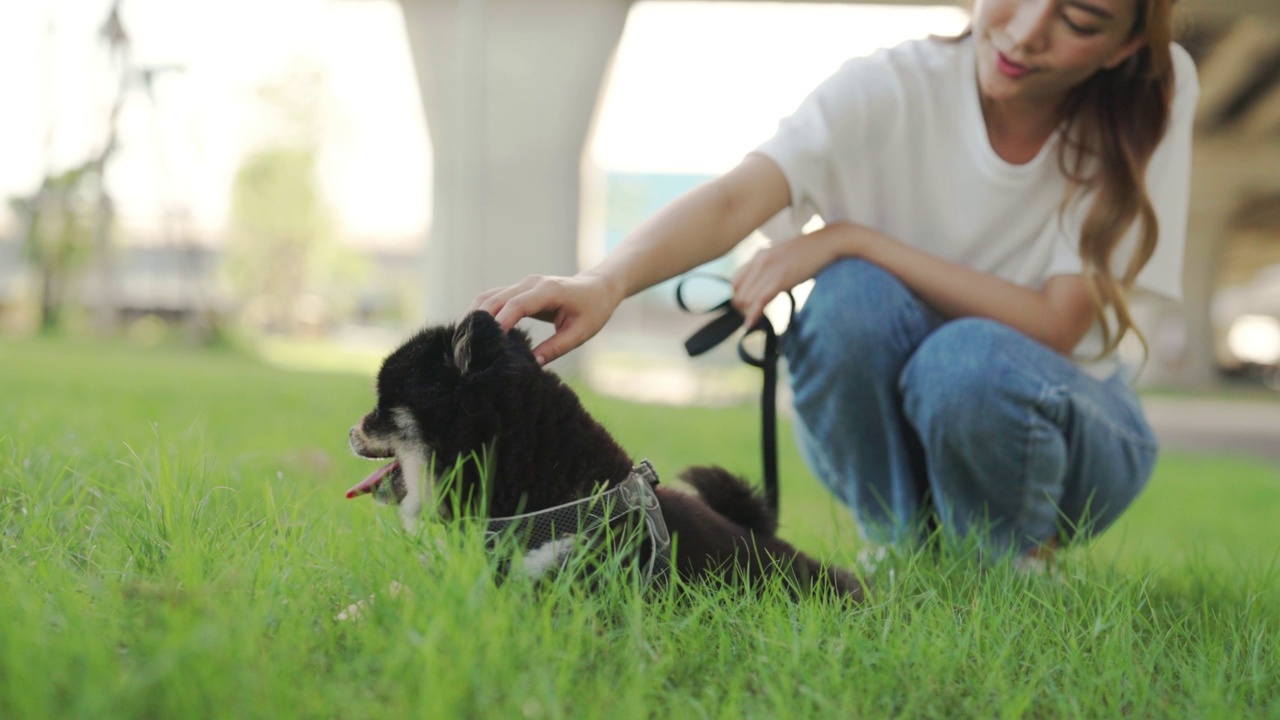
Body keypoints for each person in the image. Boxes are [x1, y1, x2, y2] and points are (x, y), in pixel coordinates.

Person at [472, 0, 1199, 560]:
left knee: (958, 354)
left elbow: (1059, 321)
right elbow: (736, 198)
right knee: (852, 298)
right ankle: (897, 548)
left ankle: (1007, 561)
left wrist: (849, 238)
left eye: (1078, 19)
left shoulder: (1151, 99)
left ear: (1128, 46)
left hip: (1075, 430)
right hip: (897, 432)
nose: (1028, 31)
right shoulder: (891, 87)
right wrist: (604, 282)